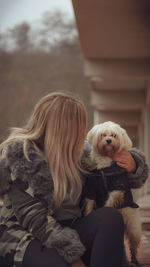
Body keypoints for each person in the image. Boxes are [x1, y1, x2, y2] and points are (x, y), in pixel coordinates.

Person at [0, 92, 148, 267]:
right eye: (79, 126)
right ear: (63, 128)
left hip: (70, 228)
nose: (83, 132)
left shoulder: (81, 152)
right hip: (27, 235)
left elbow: (115, 172)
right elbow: (35, 219)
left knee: (110, 217)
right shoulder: (21, 155)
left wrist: (133, 164)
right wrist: (75, 259)